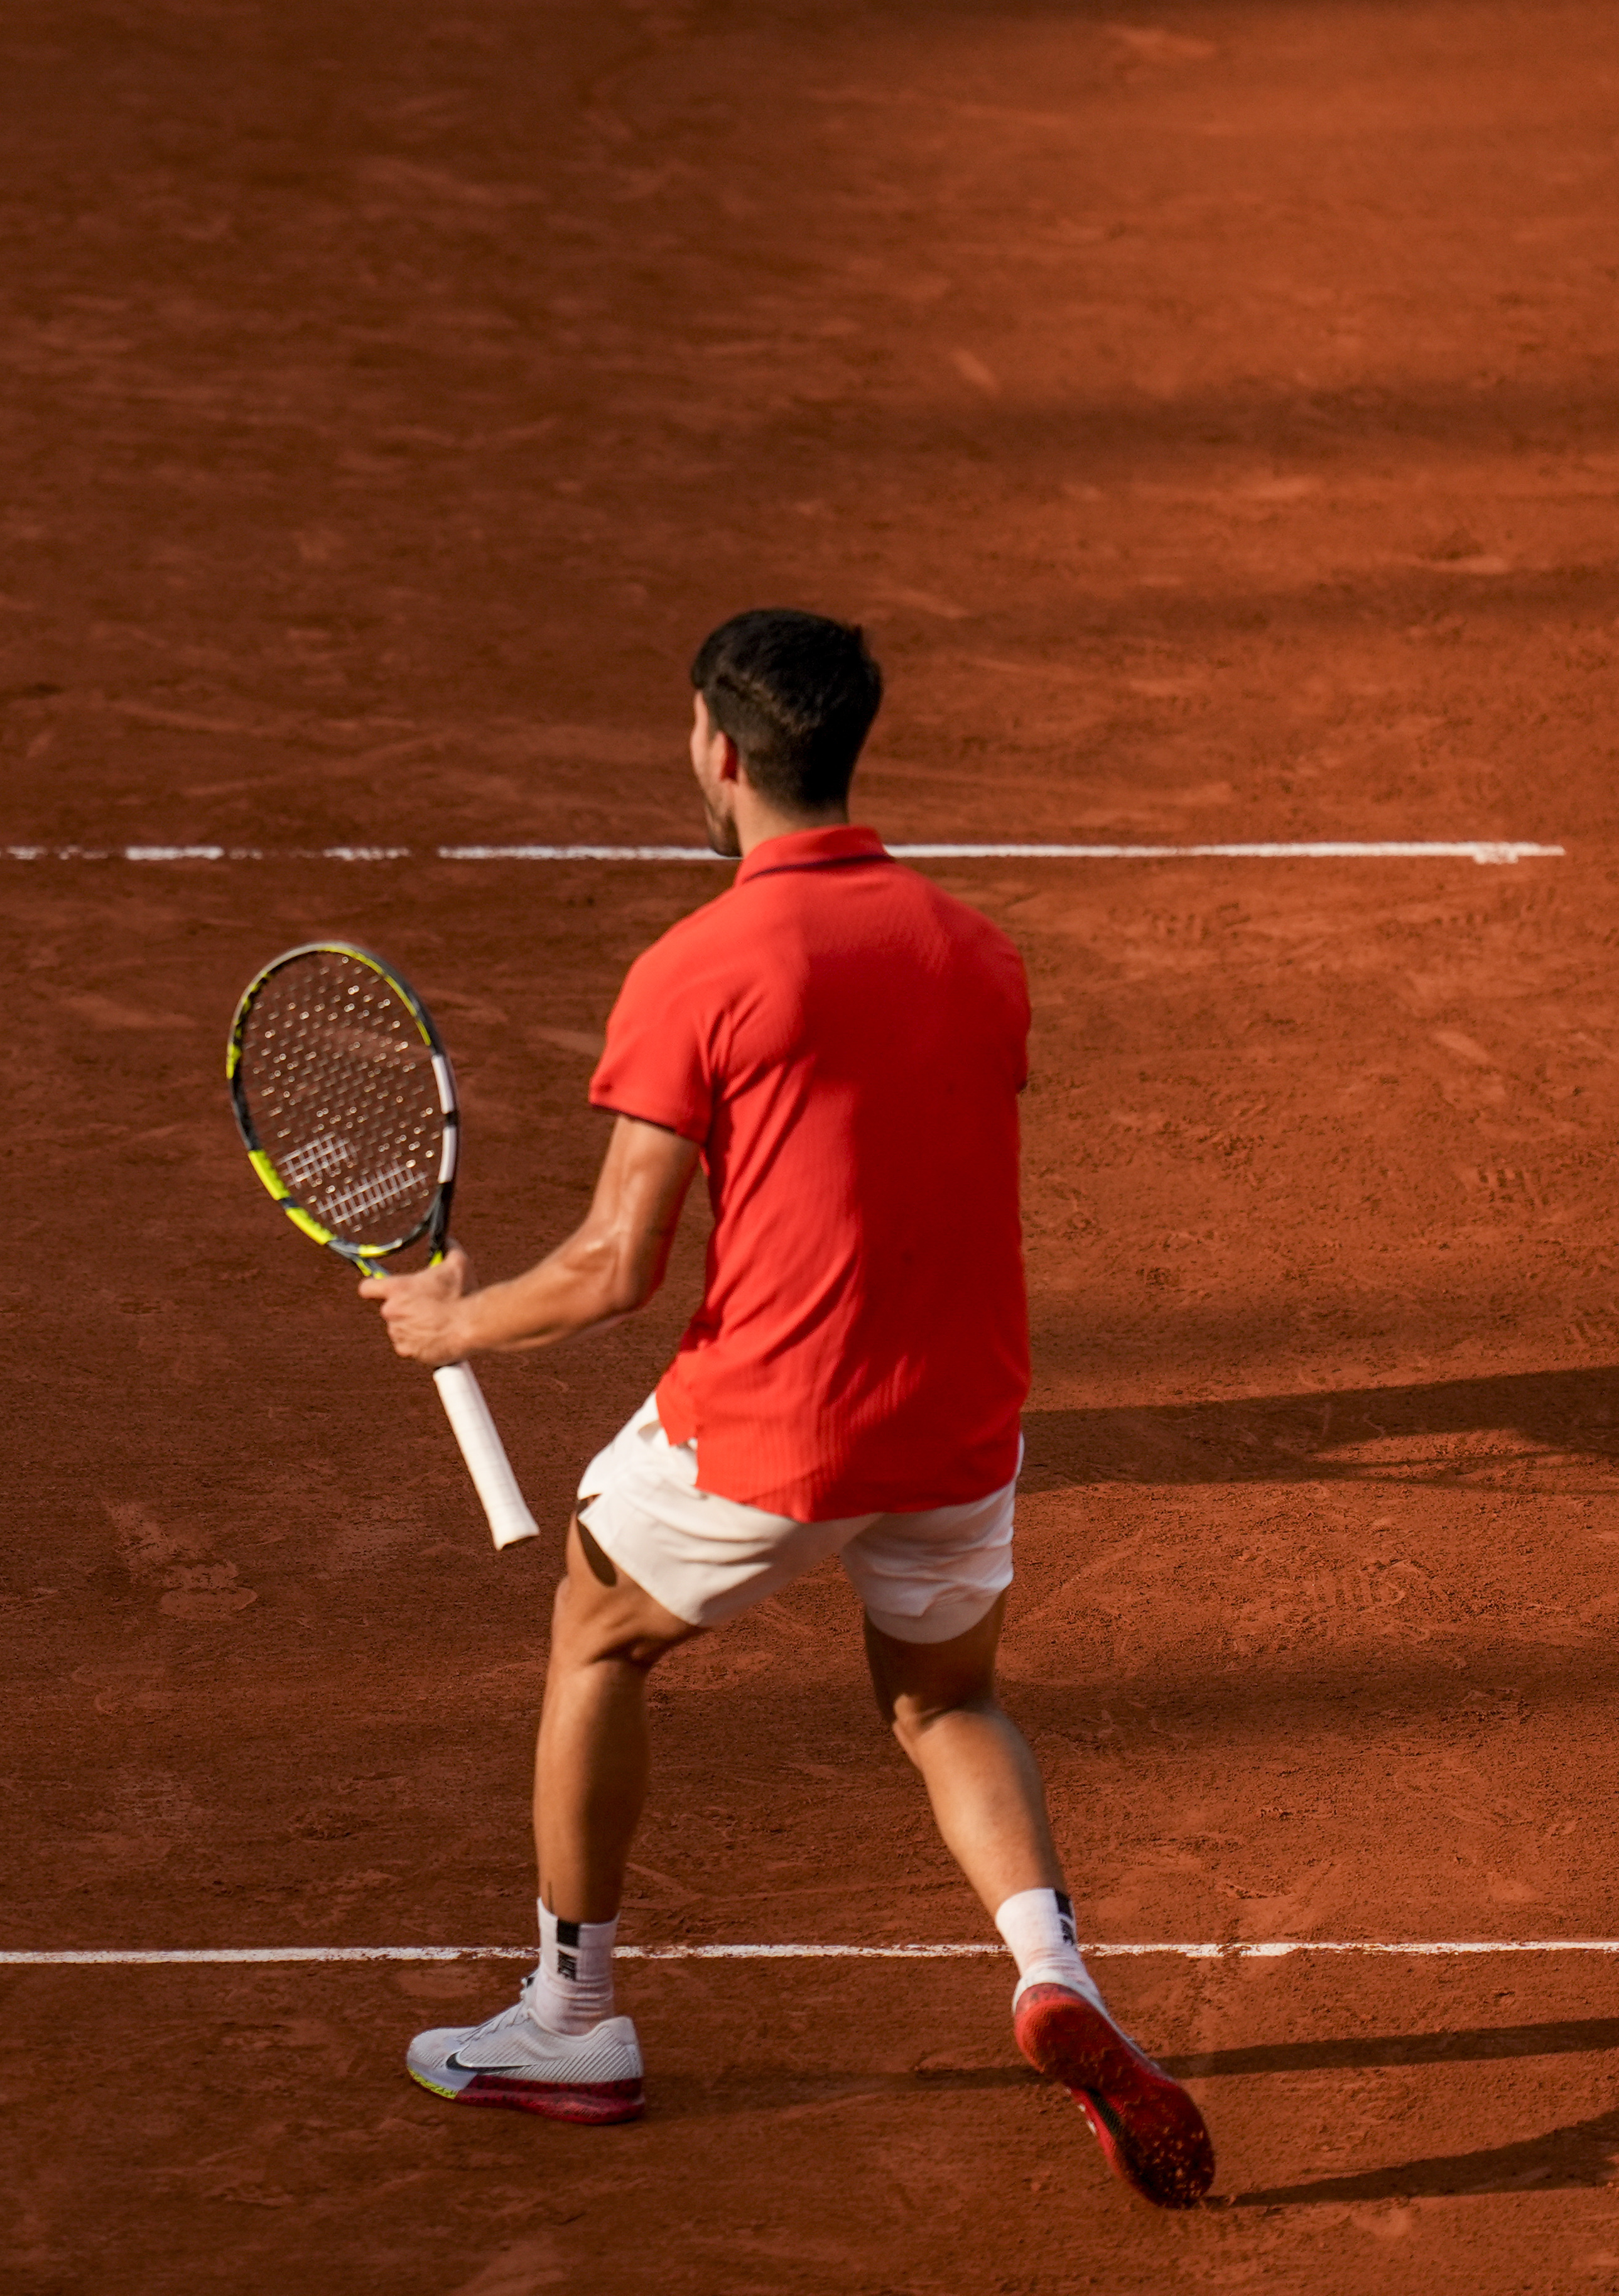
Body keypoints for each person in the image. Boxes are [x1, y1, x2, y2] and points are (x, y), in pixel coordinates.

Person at [360, 609, 1214, 2206]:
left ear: (718, 750)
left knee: (597, 1632)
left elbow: (620, 1263)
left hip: (781, 1424)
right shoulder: (979, 950)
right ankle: (1057, 1976)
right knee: (945, 1700)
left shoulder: (703, 963)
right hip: (961, 1417)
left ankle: (573, 2019)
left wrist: (451, 1318)